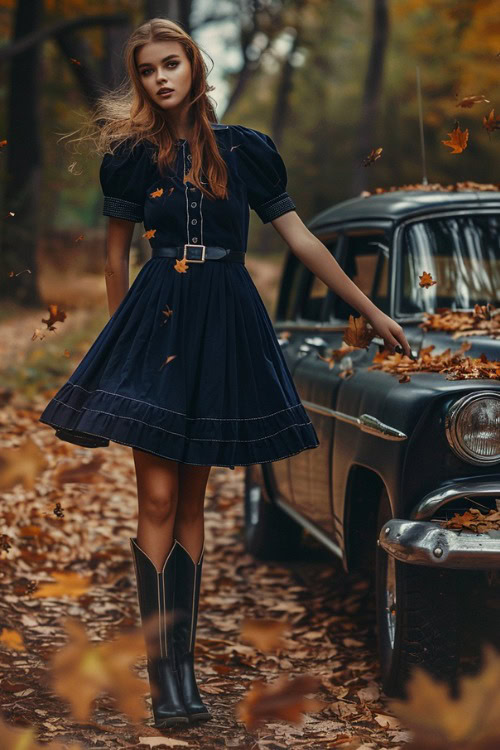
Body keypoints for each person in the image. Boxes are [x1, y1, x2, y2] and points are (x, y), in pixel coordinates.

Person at [38, 17, 412, 730]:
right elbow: (116, 260)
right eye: (147, 70)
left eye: (170, 64)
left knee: (191, 505)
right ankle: (165, 680)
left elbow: (299, 237)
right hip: (156, 324)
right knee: (154, 499)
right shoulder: (128, 157)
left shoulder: (245, 151)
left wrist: (371, 309)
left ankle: (183, 674)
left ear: (194, 64)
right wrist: (128, 349)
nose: (160, 78)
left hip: (226, 324)